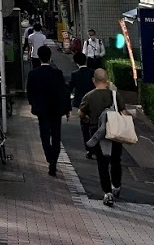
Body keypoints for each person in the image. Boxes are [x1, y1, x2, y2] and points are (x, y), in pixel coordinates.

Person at [80, 67, 130, 206]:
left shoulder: (89, 96)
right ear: (107, 80)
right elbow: (124, 111)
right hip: (114, 131)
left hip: (97, 132)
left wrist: (86, 118)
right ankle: (116, 185)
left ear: (93, 80)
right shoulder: (114, 95)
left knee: (102, 163)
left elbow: (81, 113)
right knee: (116, 160)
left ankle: (107, 192)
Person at [26, 44, 71, 176]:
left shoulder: (33, 74)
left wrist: (33, 104)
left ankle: (49, 157)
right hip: (56, 110)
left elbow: (30, 92)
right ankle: (54, 161)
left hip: (41, 110)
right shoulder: (57, 73)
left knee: (44, 135)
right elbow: (64, 92)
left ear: (39, 57)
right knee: (56, 136)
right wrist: (67, 108)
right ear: (50, 57)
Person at [68, 52, 96, 156]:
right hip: (93, 102)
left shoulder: (75, 74)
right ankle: (95, 145)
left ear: (76, 62)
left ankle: (89, 149)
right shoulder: (92, 72)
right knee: (94, 124)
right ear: (85, 60)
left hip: (81, 103)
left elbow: (70, 87)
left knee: (84, 126)